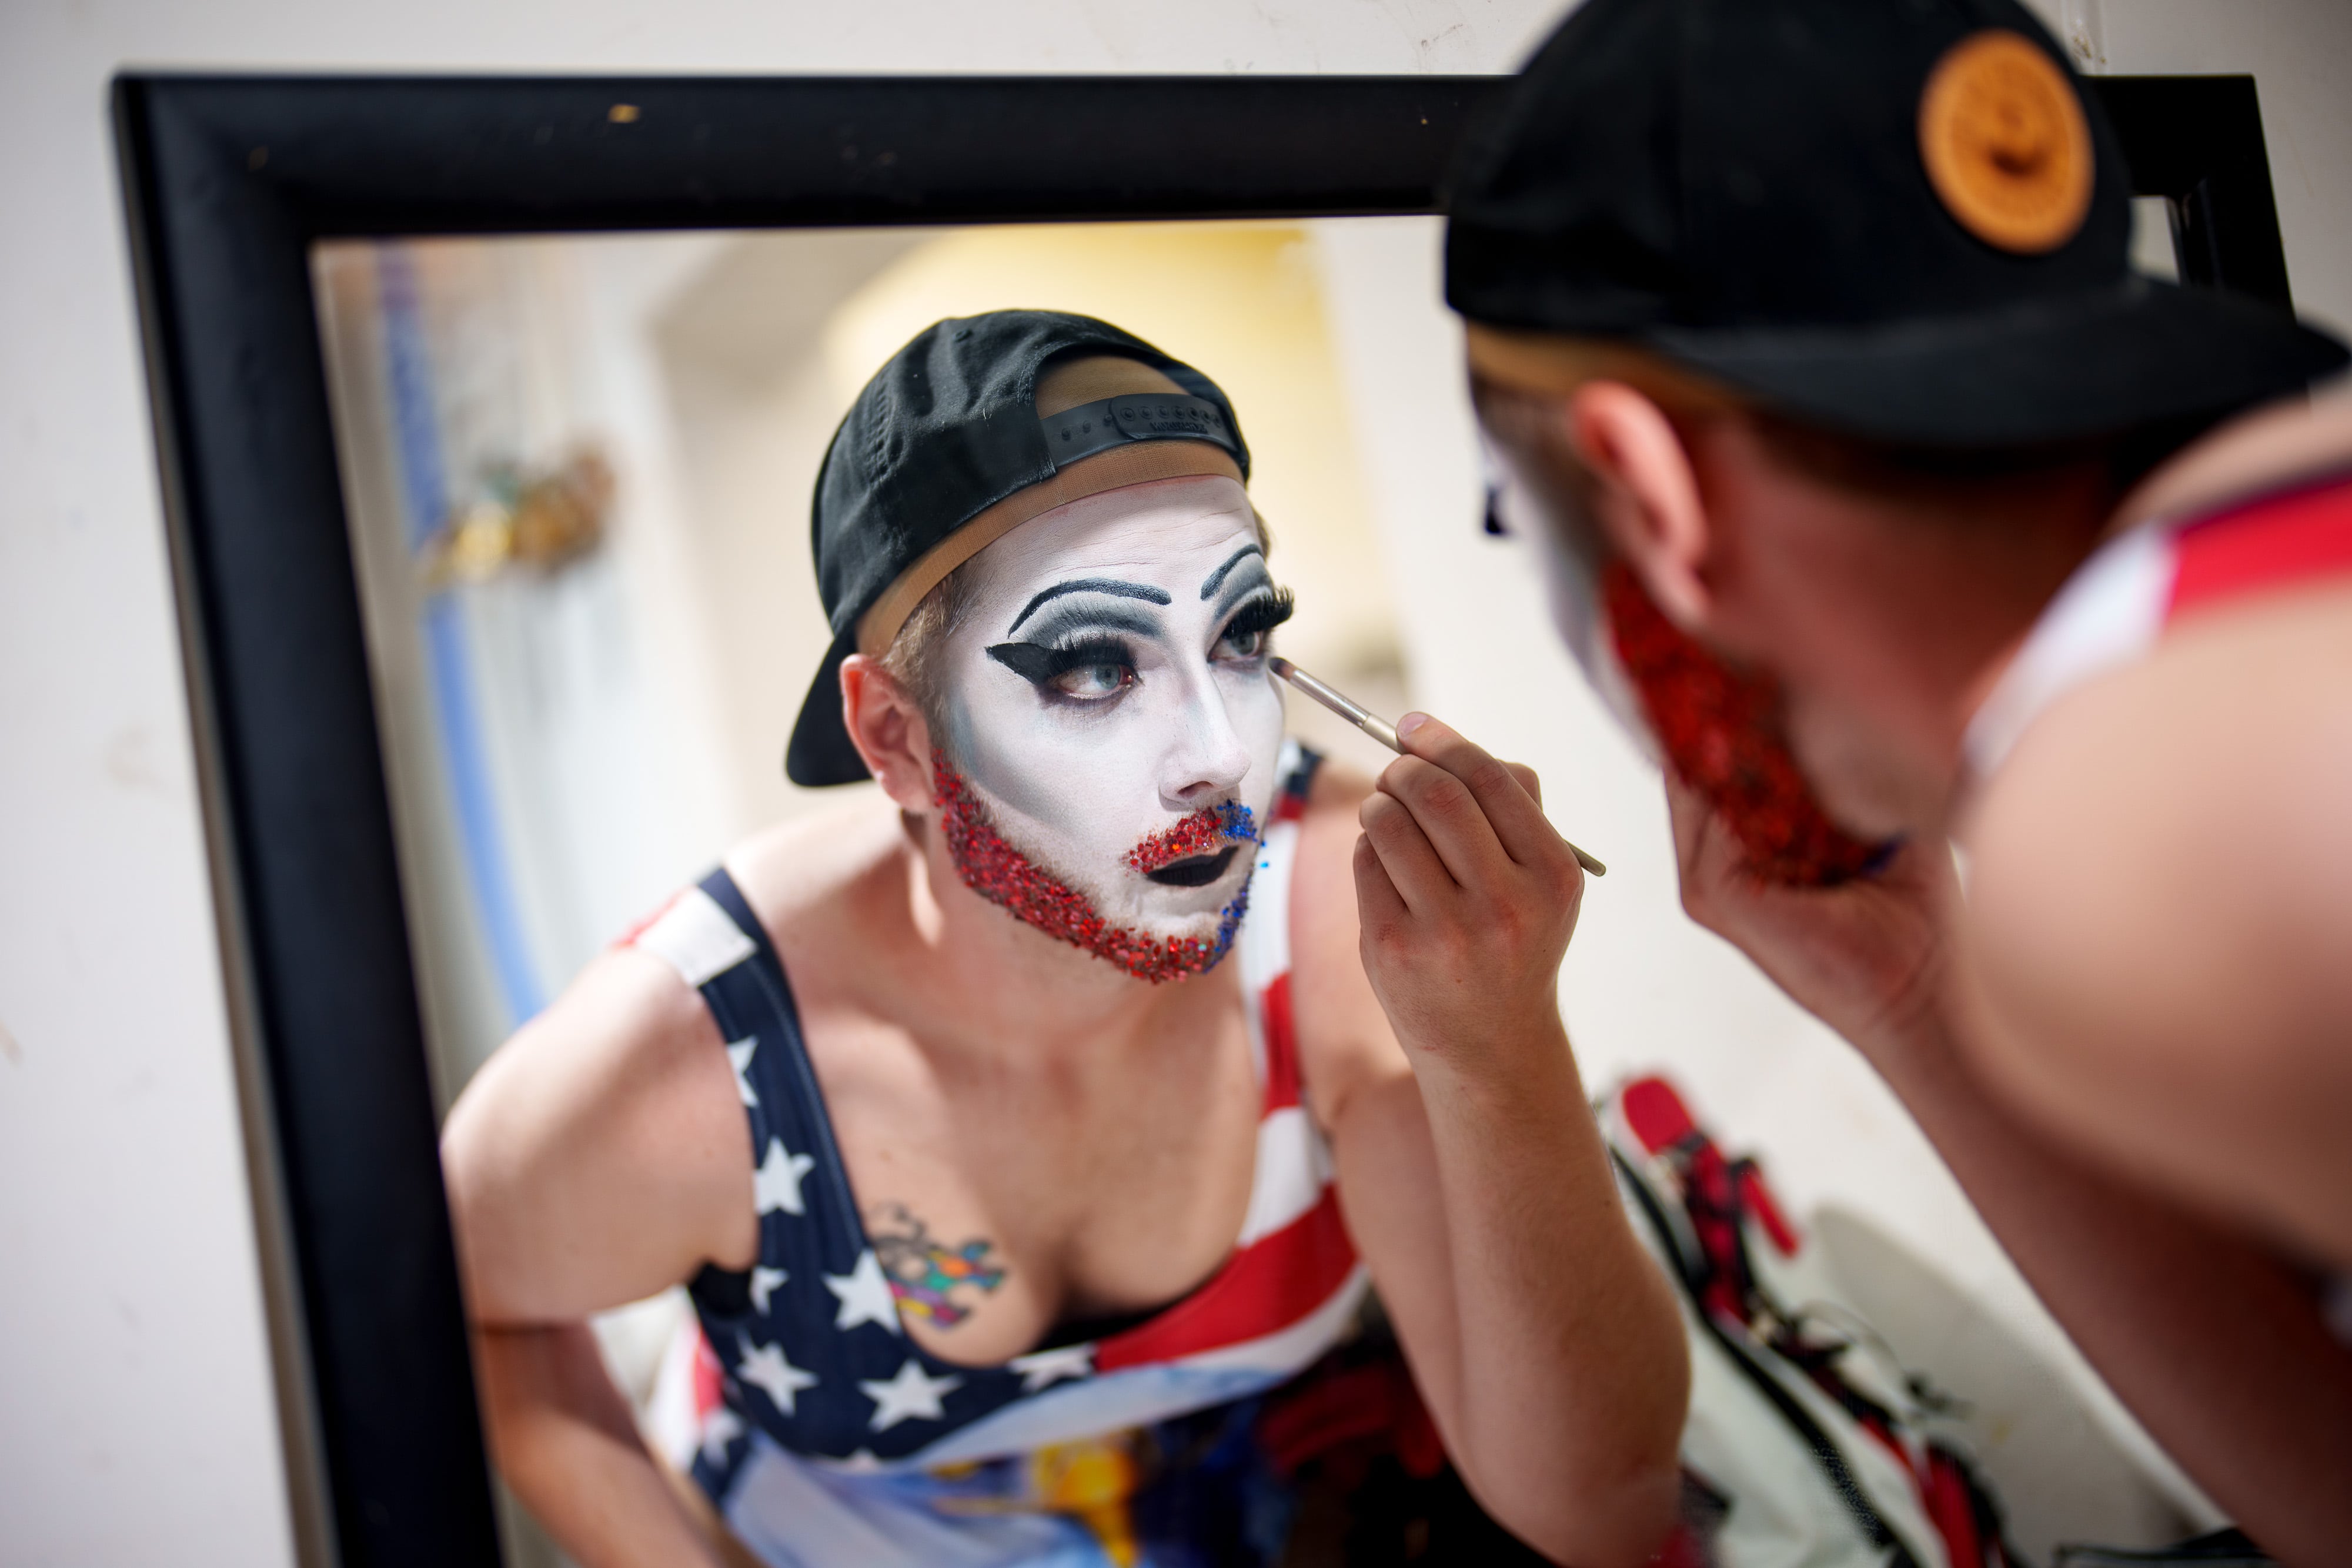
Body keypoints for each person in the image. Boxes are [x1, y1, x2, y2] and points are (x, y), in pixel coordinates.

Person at [440, 310, 1688, 1568]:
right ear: (896, 742)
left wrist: (1503, 1046)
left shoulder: (1341, 917)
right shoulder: (705, 1052)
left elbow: (1598, 1507)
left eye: (1241, 633)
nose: (1217, 756)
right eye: (1093, 666)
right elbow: (466, 1301)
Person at [1442, 0, 2352, 1559]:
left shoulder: (2131, 813)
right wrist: (1913, 998)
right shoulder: (2257, 564)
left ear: (1648, 497)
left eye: (1525, 528)